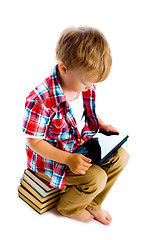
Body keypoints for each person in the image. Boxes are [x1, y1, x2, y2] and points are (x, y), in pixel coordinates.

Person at [22, 26, 130, 225]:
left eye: (92, 84)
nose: (90, 88)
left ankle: (93, 203)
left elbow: (83, 113)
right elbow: (34, 142)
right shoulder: (40, 100)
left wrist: (100, 124)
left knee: (122, 156)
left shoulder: (82, 86)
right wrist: (68, 159)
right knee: (96, 178)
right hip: (54, 160)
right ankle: (69, 208)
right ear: (64, 69)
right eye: (86, 83)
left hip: (80, 147)